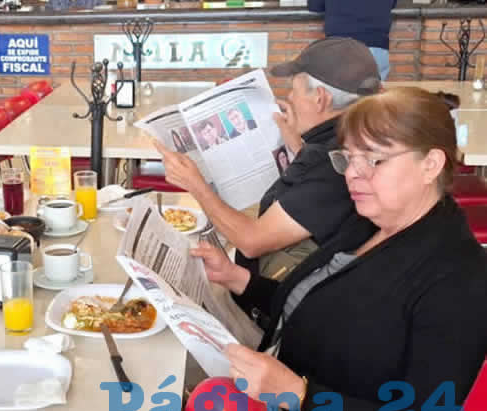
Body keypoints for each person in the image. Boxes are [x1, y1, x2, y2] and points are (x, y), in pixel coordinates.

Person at [193, 87, 487, 411]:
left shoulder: (458, 278)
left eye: (374, 159)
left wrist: (299, 394)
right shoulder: (372, 221)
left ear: (430, 164)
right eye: (347, 158)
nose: (353, 174)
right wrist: (241, 280)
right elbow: (320, 307)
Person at [155, 37, 380, 287]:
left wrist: (195, 185)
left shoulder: (334, 164)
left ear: (320, 98)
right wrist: (298, 144)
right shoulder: (356, 138)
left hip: (275, 298)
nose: (290, 98)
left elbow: (252, 241)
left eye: (294, 90)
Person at [307, 0, 399, 79]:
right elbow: (392, 3)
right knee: (373, 97)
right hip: (376, 50)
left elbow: (313, 5)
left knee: (340, 96)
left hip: (339, 50)